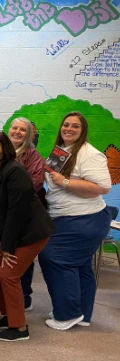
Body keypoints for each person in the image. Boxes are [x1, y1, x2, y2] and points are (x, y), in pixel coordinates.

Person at [39, 112, 112, 331]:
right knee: (80, 266)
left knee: (53, 257)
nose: (69, 129)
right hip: (67, 216)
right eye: (66, 125)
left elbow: (103, 187)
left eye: (75, 126)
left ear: (83, 131)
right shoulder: (62, 150)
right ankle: (83, 313)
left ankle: (67, 314)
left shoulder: (90, 154)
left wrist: (66, 182)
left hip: (83, 218)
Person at [0, 131, 53, 341]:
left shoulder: (15, 170)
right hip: (12, 232)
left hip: (31, 233)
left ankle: (19, 327)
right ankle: (9, 315)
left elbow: (16, 211)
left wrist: (7, 247)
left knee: (8, 275)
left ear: (5, 148)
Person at [0, 117, 46, 310]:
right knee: (6, 259)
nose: (18, 132)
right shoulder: (1, 154)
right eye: (15, 128)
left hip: (24, 215)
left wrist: (10, 189)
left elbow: (35, 182)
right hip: (6, 215)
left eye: (23, 129)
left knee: (21, 258)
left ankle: (24, 297)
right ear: (8, 129)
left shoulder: (32, 155)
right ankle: (8, 296)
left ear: (28, 134)